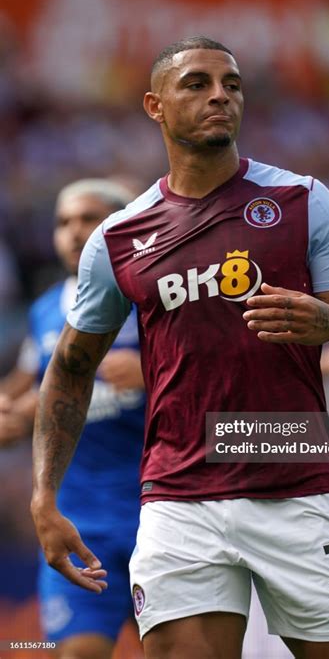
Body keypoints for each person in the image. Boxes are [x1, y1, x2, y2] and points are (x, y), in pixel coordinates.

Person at [31, 37, 329, 659]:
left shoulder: (302, 201)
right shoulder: (118, 238)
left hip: (297, 486)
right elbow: (70, 370)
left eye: (231, 83)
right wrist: (44, 496)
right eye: (196, 84)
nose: (219, 94)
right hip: (178, 502)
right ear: (155, 106)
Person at [1, 179, 146, 659]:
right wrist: (11, 417)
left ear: (122, 227)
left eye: (90, 219)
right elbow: (30, 388)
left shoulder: (156, 300)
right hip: (79, 520)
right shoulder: (45, 312)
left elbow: (221, 377)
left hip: (163, 514)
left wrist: (152, 371)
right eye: (64, 222)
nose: (75, 232)